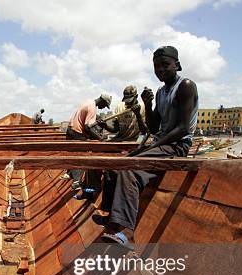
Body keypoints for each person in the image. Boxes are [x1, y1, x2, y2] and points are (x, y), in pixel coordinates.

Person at [96, 46, 198, 246]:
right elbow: (153, 126)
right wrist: (148, 105)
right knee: (113, 167)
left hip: (177, 146)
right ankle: (110, 217)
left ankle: (126, 231)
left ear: (177, 65)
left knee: (129, 170)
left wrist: (156, 144)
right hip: (161, 143)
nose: (160, 69)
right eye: (156, 66)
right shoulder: (160, 92)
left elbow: (183, 128)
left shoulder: (185, 86)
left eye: (165, 65)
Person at [63, 94, 112, 190]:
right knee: (82, 156)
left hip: (70, 130)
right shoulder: (92, 108)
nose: (103, 108)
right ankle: (76, 183)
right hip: (77, 132)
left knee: (73, 155)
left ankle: (69, 173)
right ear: (102, 101)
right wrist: (100, 138)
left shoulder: (88, 102)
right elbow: (88, 127)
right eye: (105, 105)